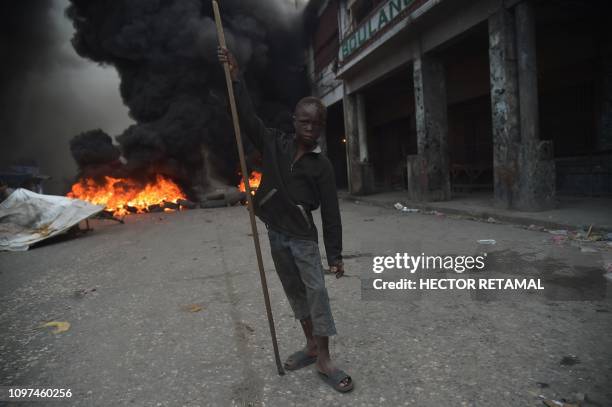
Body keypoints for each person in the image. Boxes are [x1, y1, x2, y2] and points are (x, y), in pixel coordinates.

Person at [218, 47, 353, 393]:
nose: (310, 128)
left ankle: (324, 358)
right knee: (294, 293)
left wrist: (334, 255)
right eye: (304, 121)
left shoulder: (321, 165)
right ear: (294, 122)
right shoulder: (274, 143)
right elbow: (247, 117)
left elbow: (332, 213)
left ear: (322, 126)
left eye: (316, 123)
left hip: (303, 237)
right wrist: (236, 77)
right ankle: (309, 344)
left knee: (316, 294)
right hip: (276, 233)